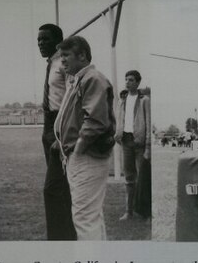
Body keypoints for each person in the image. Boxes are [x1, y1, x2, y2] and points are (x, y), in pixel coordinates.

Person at [54, 35, 116, 240]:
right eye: (61, 56)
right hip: (81, 155)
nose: (62, 60)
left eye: (66, 55)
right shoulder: (79, 79)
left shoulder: (92, 78)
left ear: (82, 55)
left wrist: (78, 148)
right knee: (92, 216)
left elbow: (96, 121)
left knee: (84, 218)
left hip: (87, 156)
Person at [37, 23, 76, 240]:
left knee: (55, 188)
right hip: (48, 124)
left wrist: (62, 133)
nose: (41, 43)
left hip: (60, 125)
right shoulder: (50, 64)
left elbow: (71, 99)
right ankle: (66, 235)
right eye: (39, 40)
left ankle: (60, 239)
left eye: (45, 39)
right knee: (59, 187)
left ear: (58, 41)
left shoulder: (63, 62)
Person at [114, 70, 151, 220]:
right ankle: (128, 211)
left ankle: (146, 212)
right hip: (126, 142)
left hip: (140, 144)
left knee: (143, 178)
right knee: (129, 177)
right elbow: (118, 119)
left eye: (131, 80)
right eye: (126, 79)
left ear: (137, 82)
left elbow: (148, 123)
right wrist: (118, 133)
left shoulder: (145, 100)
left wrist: (148, 147)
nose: (127, 82)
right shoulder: (122, 100)